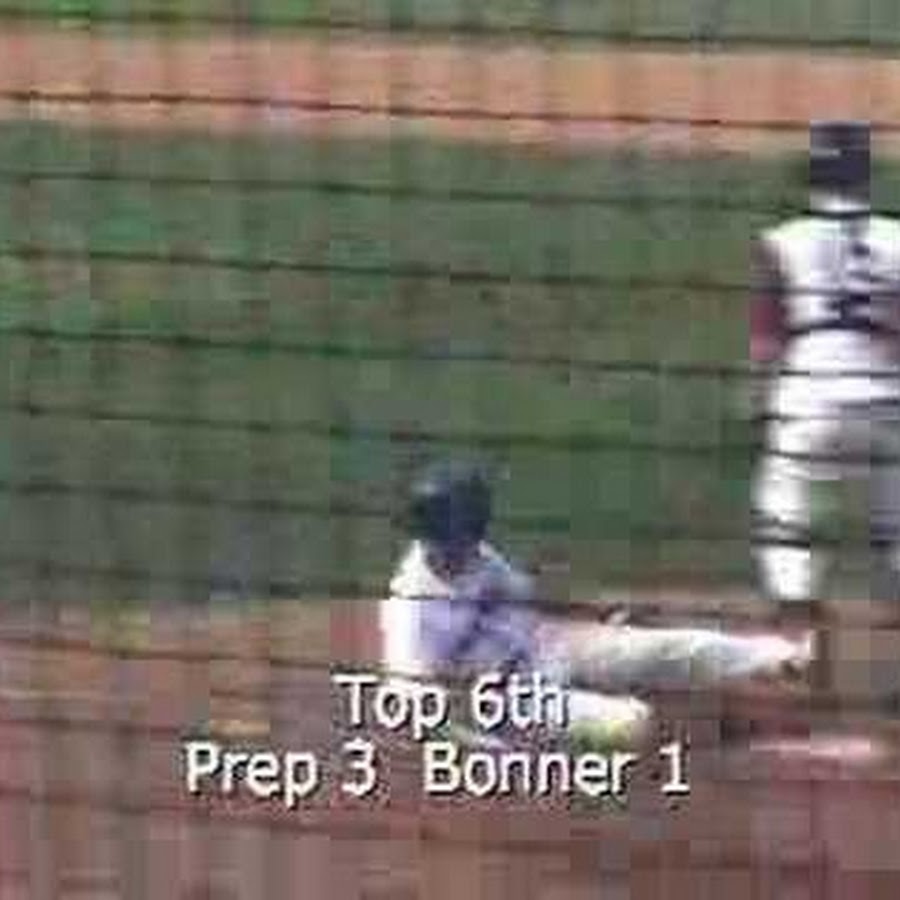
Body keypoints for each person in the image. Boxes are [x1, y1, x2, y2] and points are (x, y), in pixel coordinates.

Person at [381, 460, 811, 749]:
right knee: (632, 723)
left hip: (547, 650)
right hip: (512, 703)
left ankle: (783, 657)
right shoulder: (411, 607)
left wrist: (602, 619)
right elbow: (411, 700)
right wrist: (485, 744)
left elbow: (529, 598)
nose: (461, 545)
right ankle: (725, 740)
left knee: (666, 647)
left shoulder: (479, 556)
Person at [751, 120, 900, 700]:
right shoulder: (897, 239)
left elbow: (767, 343)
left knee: (788, 524)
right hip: (888, 403)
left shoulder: (782, 241)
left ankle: (804, 661)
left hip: (808, 401)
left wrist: (758, 406)